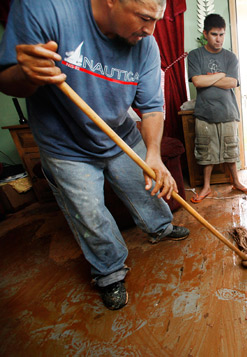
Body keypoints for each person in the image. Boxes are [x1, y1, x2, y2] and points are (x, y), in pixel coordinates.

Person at [0, 0, 189, 310]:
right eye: (144, 17)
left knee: (146, 187)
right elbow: (7, 79)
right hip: (65, 145)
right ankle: (109, 270)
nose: (151, 30)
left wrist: (153, 155)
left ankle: (160, 227)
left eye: (156, 19)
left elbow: (152, 106)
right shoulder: (46, 8)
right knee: (89, 214)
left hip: (120, 134)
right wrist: (26, 74)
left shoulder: (146, 44)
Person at [187, 13, 247, 203]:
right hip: (204, 113)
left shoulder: (231, 57)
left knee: (231, 150)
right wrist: (220, 75)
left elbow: (232, 82)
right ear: (205, 33)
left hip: (228, 112)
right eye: (215, 34)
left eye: (222, 34)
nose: (219, 39)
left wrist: (210, 77)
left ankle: (236, 182)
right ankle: (206, 187)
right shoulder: (195, 55)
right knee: (206, 151)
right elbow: (197, 82)